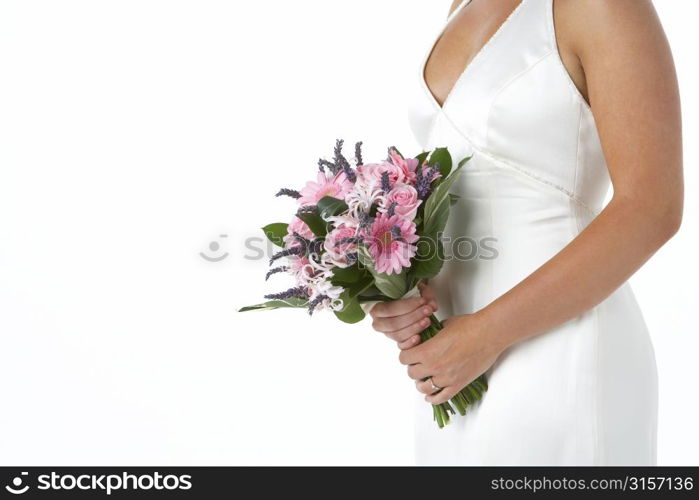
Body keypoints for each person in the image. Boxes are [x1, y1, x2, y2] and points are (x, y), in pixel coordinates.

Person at [370, 0, 683, 465]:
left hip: (560, 350)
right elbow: (468, 181)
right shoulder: (462, 4)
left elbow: (652, 208)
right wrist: (404, 290)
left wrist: (484, 336)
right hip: (448, 365)